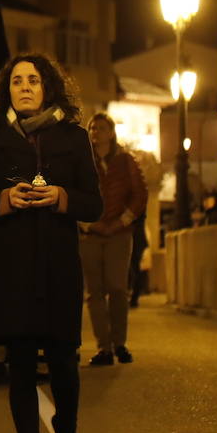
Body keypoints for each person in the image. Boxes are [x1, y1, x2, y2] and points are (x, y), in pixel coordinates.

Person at [0, 54, 102, 433]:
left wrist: (60, 196)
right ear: (7, 90)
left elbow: (93, 204)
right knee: (20, 364)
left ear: (48, 88)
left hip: (57, 266)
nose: (25, 87)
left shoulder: (74, 138)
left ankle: (68, 430)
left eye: (34, 80)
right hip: (11, 269)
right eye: (18, 81)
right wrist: (5, 200)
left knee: (64, 359)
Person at [79, 114, 148, 367]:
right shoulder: (82, 162)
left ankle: (120, 343)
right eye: (93, 128)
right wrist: (89, 223)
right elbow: (74, 193)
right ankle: (104, 348)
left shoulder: (125, 161)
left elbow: (140, 194)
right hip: (90, 235)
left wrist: (122, 221)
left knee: (118, 288)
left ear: (112, 132)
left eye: (102, 127)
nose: (97, 132)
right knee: (94, 292)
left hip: (120, 233)